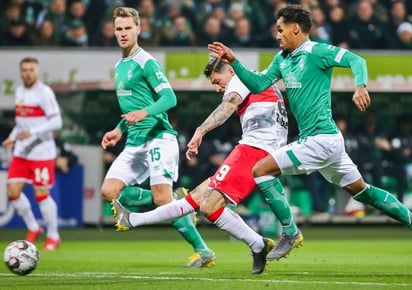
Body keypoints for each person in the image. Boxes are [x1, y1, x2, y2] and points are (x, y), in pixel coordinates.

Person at [207, 4, 412, 245]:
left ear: (295, 29)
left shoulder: (317, 51)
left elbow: (357, 60)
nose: (277, 35)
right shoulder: (282, 59)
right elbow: (258, 84)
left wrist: (360, 86)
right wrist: (235, 62)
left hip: (320, 139)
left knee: (261, 170)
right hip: (324, 140)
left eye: (281, 30)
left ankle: (290, 233)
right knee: (363, 191)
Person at [112, 56, 303, 274]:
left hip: (254, 149)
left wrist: (200, 131)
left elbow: (228, 105)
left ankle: (260, 243)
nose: (216, 88)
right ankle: (132, 219)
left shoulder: (241, 78)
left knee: (208, 207)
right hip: (262, 149)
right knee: (196, 196)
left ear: (230, 71)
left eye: (217, 80)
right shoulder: (256, 79)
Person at [101, 7, 215, 268]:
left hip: (159, 138)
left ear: (138, 29)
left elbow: (169, 98)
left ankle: (204, 250)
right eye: (119, 29)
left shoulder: (146, 62)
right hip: (133, 141)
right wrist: (119, 129)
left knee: (162, 198)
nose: (123, 33)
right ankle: (178, 202)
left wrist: (143, 112)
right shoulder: (120, 66)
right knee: (109, 192)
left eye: (128, 28)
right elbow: (132, 109)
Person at [2, 57, 63, 250]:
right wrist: (13, 136)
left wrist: (33, 132)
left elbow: (57, 122)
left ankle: (53, 236)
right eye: (25, 69)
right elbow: (21, 122)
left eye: (31, 69)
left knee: (42, 195)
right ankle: (33, 227)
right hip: (21, 152)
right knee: (12, 192)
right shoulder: (19, 92)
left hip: (42, 152)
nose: (28, 73)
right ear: (20, 72)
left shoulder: (44, 93)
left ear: (38, 71)